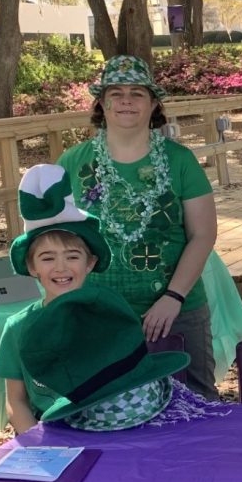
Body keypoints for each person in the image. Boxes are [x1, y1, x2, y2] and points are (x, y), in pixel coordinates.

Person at [58, 54, 220, 398]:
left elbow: (203, 234)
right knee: (104, 406)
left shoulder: (180, 160)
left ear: (153, 103)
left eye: (137, 92)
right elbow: (55, 239)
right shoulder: (73, 162)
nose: (126, 101)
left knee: (194, 403)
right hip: (98, 313)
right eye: (116, 93)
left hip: (176, 310)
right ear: (102, 103)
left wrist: (173, 297)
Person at [0, 164, 188, 433]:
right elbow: (15, 400)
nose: (60, 268)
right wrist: (39, 444)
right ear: (32, 267)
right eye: (47, 258)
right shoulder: (17, 328)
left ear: (90, 262)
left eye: (72, 257)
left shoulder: (107, 313)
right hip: (52, 429)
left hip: (123, 420)